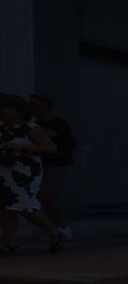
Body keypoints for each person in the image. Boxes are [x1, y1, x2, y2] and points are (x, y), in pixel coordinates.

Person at [0, 94, 65, 255]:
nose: (3, 111)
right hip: (5, 172)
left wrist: (22, 148)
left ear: (19, 110)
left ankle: (54, 233)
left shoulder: (31, 128)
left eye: (8, 108)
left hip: (25, 174)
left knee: (26, 207)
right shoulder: (2, 128)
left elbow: (51, 148)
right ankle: (11, 245)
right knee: (6, 208)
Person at [27, 94, 75, 240]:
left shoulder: (59, 124)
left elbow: (71, 144)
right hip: (40, 165)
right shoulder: (33, 125)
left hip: (57, 164)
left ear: (45, 106)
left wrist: (52, 142)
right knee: (42, 195)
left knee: (45, 194)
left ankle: (62, 228)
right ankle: (54, 228)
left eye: (34, 104)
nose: (30, 107)